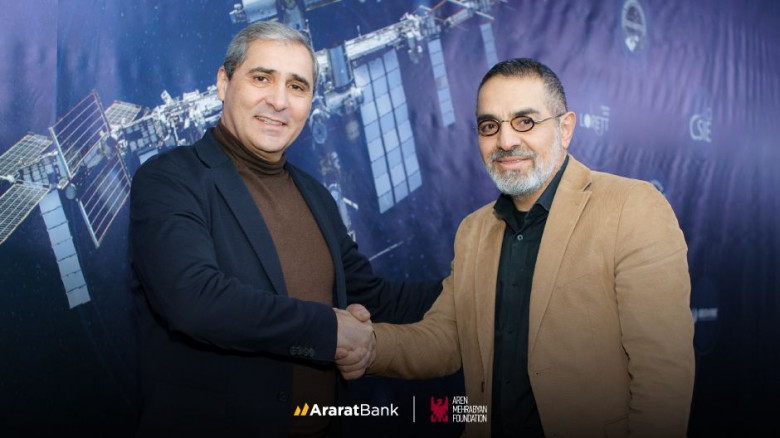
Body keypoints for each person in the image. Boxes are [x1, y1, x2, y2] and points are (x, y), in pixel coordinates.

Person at [347, 58, 695, 437]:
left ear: (565, 128)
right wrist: (369, 345)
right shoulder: (473, 231)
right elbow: (447, 339)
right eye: (489, 126)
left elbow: (662, 377)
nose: (505, 141)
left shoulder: (632, 207)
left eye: (525, 121)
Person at [129, 21, 439, 437]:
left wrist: (485, 282)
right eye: (262, 78)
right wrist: (329, 331)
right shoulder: (171, 179)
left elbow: (372, 299)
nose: (278, 101)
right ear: (223, 83)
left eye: (297, 86)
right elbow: (194, 300)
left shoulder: (315, 195)